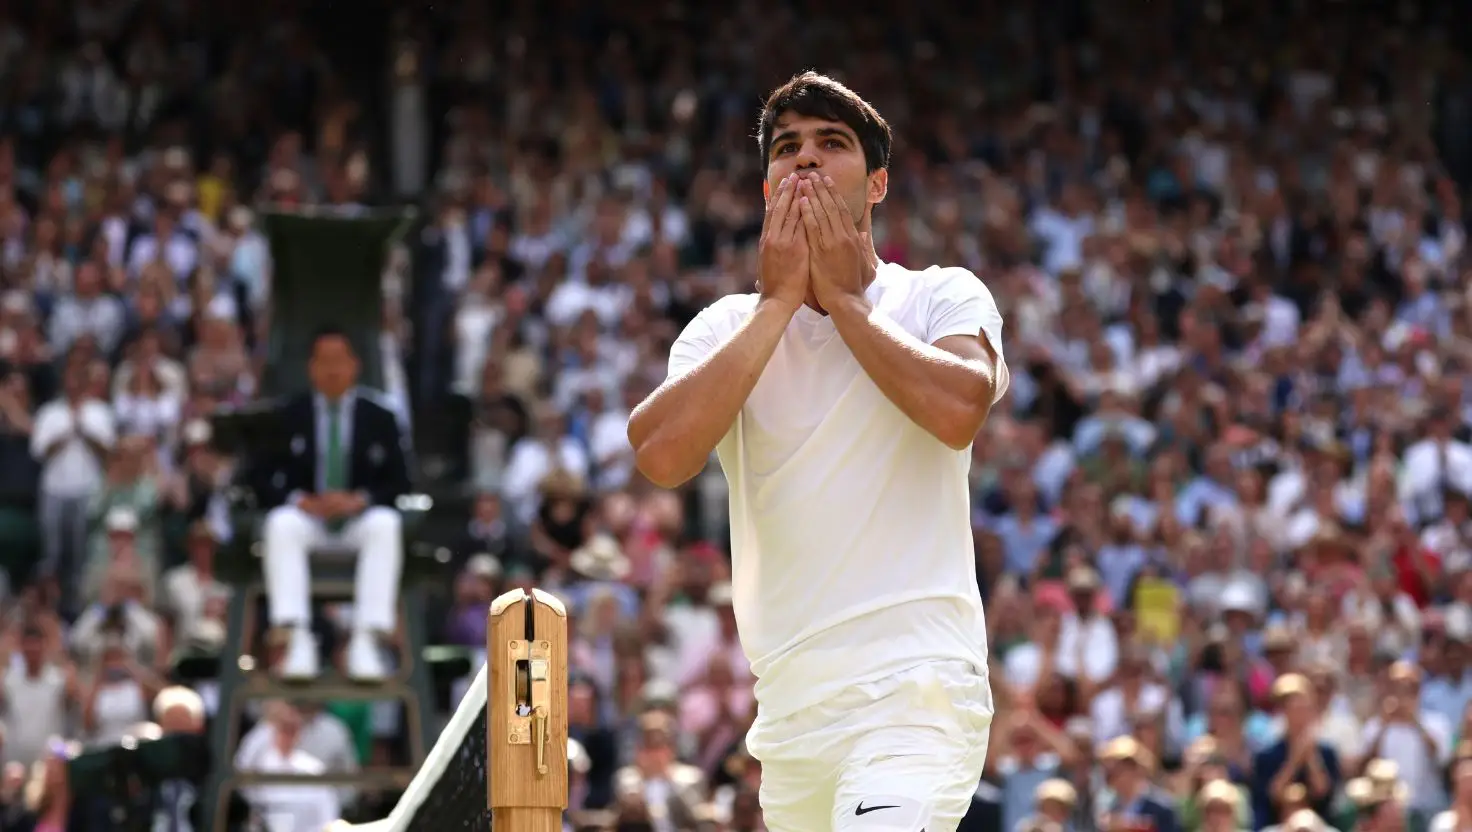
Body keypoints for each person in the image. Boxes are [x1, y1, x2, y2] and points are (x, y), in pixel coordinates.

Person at [627, 71, 1007, 831]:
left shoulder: (940, 295)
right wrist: (776, 307)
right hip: (793, 719)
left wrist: (842, 301)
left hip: (915, 694)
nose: (803, 160)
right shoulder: (723, 328)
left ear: (877, 185)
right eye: (786, 149)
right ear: (767, 188)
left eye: (831, 144)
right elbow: (660, 454)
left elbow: (960, 407)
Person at [257, 326, 411, 682]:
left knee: (386, 524)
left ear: (354, 365)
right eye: (324, 361)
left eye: (339, 361)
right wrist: (301, 500)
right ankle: (296, 638)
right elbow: (259, 477)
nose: (332, 370)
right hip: (309, 522)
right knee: (281, 523)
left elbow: (401, 481)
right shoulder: (288, 414)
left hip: (357, 522)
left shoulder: (381, 416)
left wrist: (360, 499)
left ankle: (367, 639)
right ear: (311, 368)